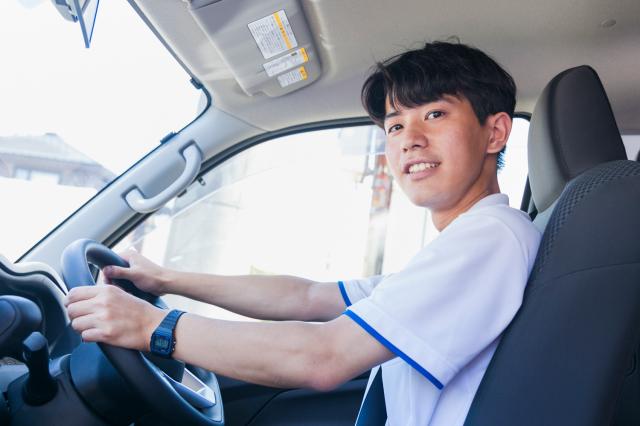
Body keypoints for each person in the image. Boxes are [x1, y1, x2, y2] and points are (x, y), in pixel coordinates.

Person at [65, 41, 541, 425]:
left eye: (434, 115)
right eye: (395, 125)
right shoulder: (466, 243)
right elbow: (308, 297)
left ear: (495, 133)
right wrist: (168, 280)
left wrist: (152, 327)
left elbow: (324, 356)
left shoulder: (489, 238)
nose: (409, 139)